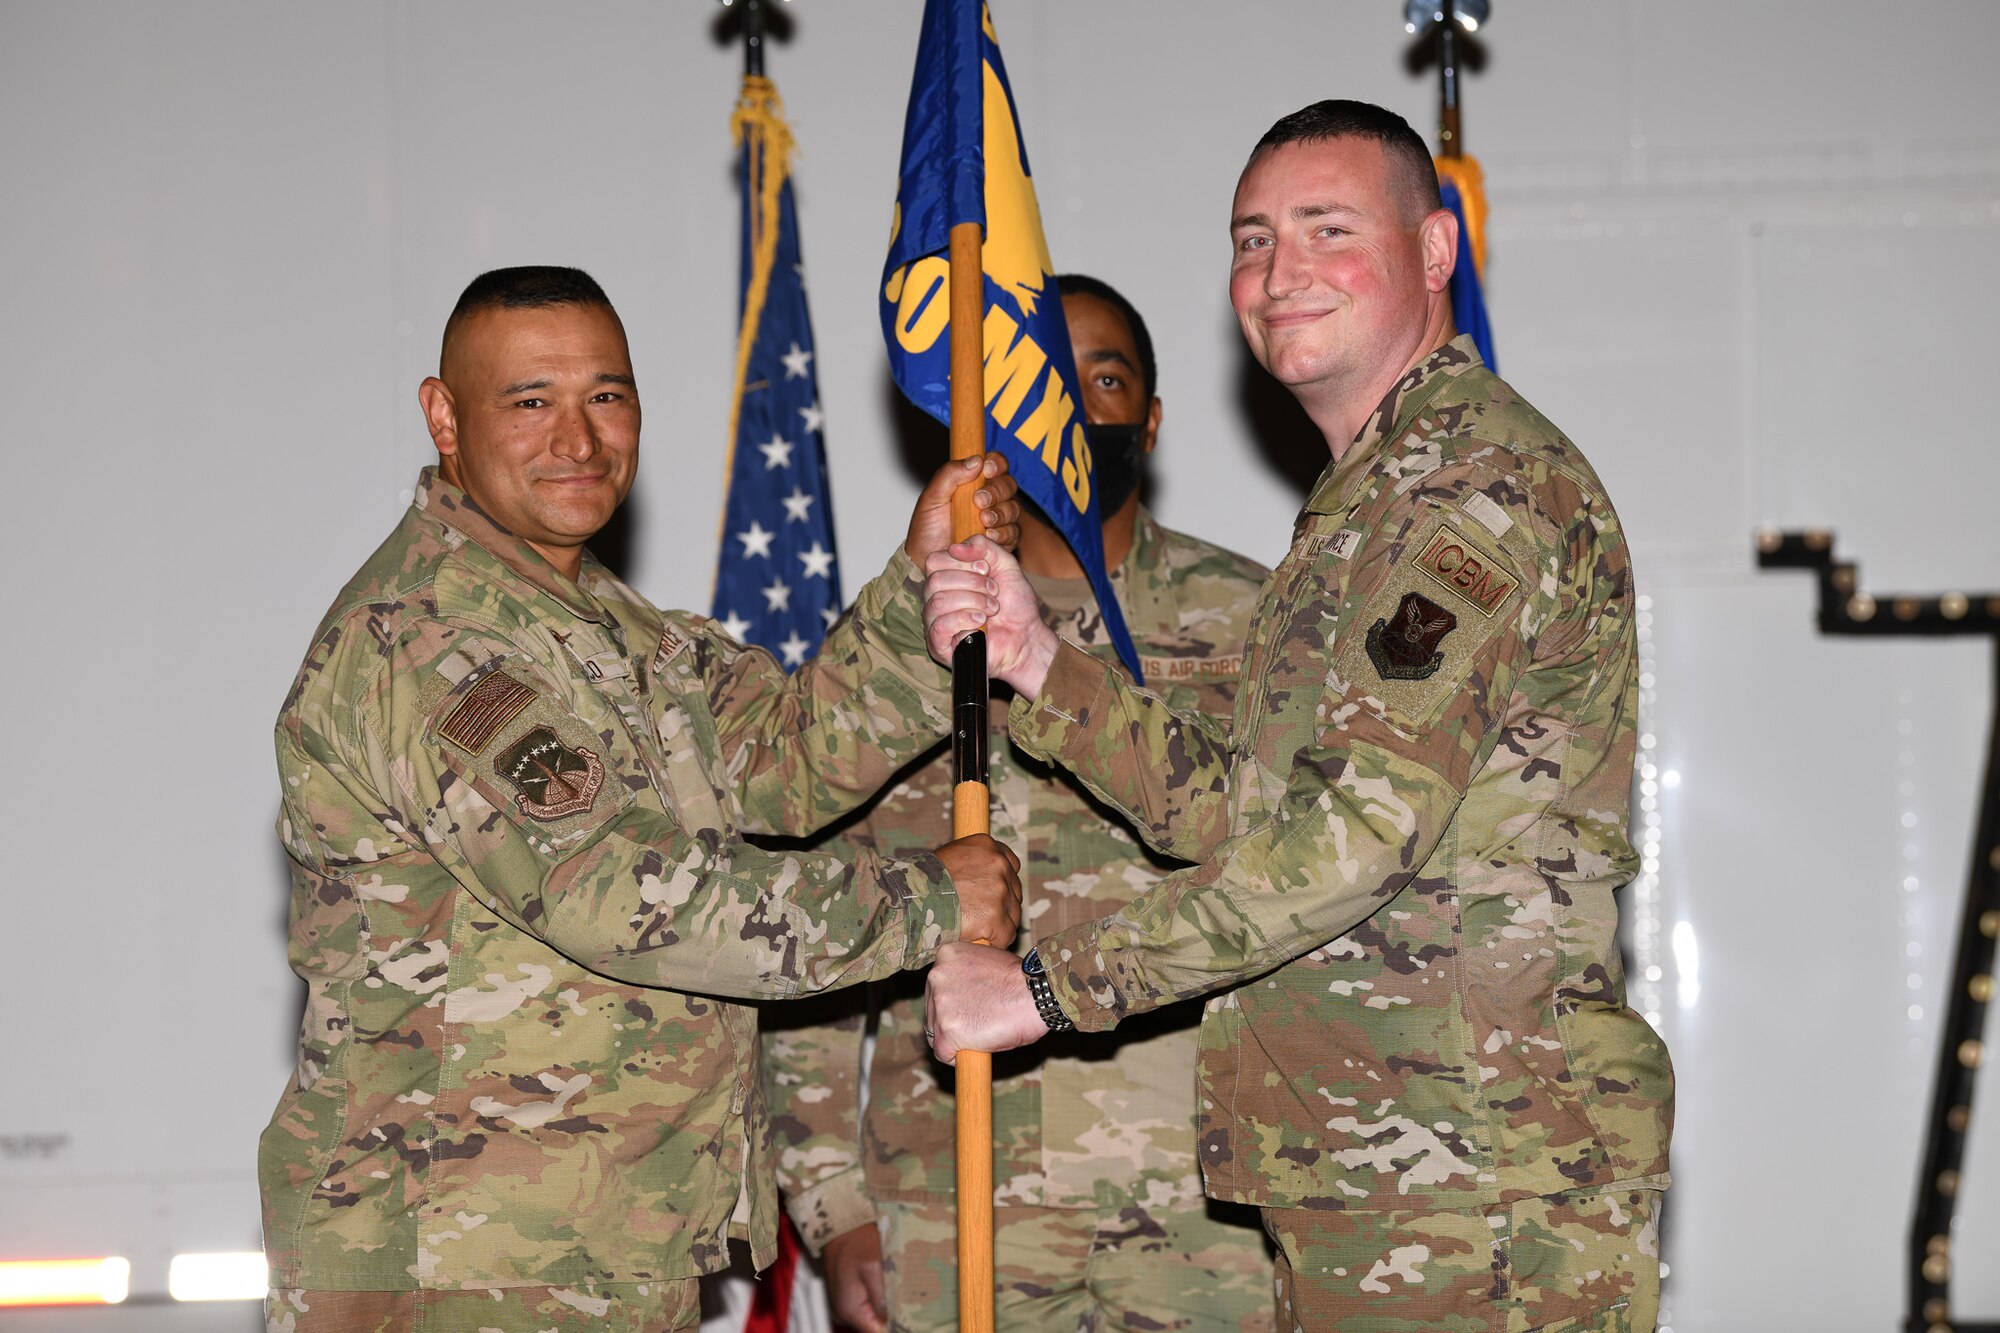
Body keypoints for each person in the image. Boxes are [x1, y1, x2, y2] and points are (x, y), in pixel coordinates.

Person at [921, 102, 1675, 1332]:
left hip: (1471, 1179)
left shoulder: (1469, 487)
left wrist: (1047, 991)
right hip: (1376, 1165)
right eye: (1251, 240)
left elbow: (1347, 843)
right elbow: (1252, 814)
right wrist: (1037, 663)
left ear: (1433, 253)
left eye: (1327, 229)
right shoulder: (1364, 503)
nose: (1278, 273)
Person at [261, 266, 1025, 1333]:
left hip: (591, 1245)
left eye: (605, 397)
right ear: (443, 416)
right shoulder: (430, 641)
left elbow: (790, 757)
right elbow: (626, 896)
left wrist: (917, 577)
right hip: (461, 1264)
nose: (577, 439)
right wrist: (926, 904)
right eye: (530, 401)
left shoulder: (610, 628)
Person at [761, 275, 1274, 1333]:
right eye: (1046, 384)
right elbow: (818, 922)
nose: (1077, 410)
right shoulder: (908, 644)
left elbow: (1302, 880)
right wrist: (833, 1204)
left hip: (1203, 1206)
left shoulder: (1256, 621)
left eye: (1106, 380)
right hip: (954, 1194)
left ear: (1153, 416)